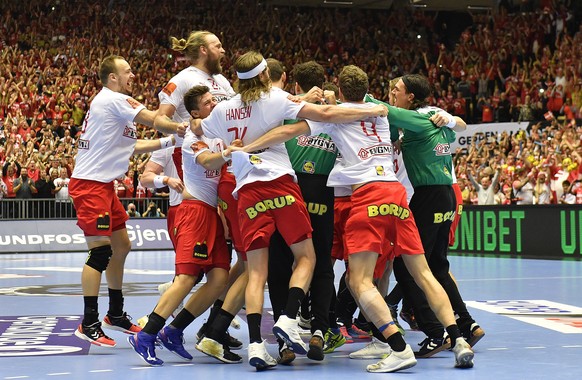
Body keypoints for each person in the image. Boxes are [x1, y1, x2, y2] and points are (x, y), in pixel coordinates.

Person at [227, 64, 474, 372]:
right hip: (396, 195)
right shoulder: (381, 112)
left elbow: (289, 130)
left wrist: (246, 146)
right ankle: (458, 339)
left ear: (341, 91)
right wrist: (451, 119)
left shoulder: (336, 118)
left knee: (358, 280)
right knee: (423, 273)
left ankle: (396, 346)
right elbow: (451, 124)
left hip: (368, 197)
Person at [195, 51, 388, 371]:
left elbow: (198, 131)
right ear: (266, 76)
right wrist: (372, 108)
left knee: (260, 271)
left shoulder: (225, 108)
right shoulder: (276, 100)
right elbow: (325, 115)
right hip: (290, 188)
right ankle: (301, 324)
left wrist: (215, 156)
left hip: (246, 192)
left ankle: (259, 344)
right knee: (314, 260)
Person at [69, 55, 186, 348]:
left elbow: (131, 147)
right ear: (112, 78)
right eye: (127, 71)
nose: (132, 75)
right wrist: (180, 125)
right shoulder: (113, 100)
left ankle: (115, 314)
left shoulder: (113, 106)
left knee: (122, 245)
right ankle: (89, 322)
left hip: (103, 185)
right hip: (90, 184)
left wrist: (170, 141)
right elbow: (154, 118)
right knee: (100, 253)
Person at [129, 85, 238, 366]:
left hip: (213, 214)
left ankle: (174, 330)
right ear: (194, 112)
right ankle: (146, 334)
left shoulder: (216, 131)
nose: (214, 104)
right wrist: (229, 153)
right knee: (187, 279)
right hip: (194, 213)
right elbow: (208, 160)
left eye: (215, 100)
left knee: (218, 280)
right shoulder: (191, 137)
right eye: (208, 102)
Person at [389, 74, 483, 358]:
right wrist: (451, 119)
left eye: (397, 90)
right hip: (446, 195)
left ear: (411, 97)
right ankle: (467, 324)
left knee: (407, 268)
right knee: (438, 266)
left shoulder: (416, 120)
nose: (392, 93)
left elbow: (386, 112)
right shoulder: (435, 114)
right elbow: (460, 126)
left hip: (428, 197)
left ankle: (435, 332)